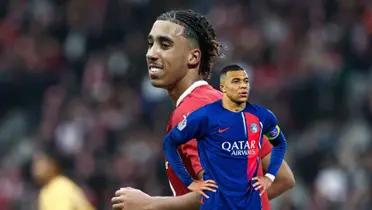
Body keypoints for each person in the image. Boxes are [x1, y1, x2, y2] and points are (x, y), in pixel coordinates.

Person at [112, 9, 295, 210]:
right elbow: (283, 178)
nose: (151, 54)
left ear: (193, 57)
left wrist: (150, 204)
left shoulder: (191, 113)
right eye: (150, 43)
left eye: (165, 45)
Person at [163, 64, 287, 209]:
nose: (242, 86)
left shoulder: (260, 117)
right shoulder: (202, 117)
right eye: (236, 82)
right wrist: (189, 182)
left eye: (245, 81)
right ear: (223, 87)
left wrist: (269, 177)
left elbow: (285, 176)